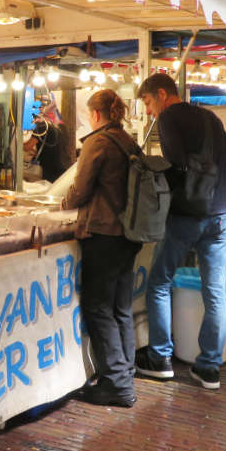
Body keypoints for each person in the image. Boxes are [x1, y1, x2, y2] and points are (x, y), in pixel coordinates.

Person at [136, 73, 226, 390]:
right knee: (215, 290)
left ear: (164, 95)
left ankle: (160, 359)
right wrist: (222, 199)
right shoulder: (210, 117)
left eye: (150, 103)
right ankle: (208, 367)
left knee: (159, 283)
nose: (151, 112)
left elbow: (176, 164)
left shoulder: (169, 118)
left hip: (186, 216)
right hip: (219, 216)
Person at [62, 89, 143, 407]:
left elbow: (80, 190)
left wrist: (62, 205)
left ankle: (117, 384)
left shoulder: (98, 142)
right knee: (121, 307)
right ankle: (126, 372)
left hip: (105, 232)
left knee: (98, 307)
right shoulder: (126, 140)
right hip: (128, 234)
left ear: (94, 114)